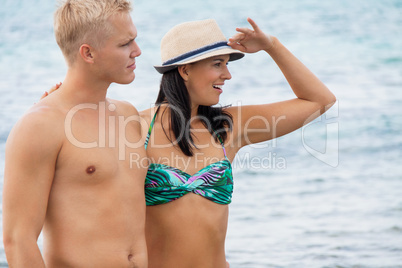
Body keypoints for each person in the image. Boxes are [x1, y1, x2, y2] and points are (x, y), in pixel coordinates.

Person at [139, 18, 336, 268]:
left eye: (227, 64)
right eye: (218, 64)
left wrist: (272, 46)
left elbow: (320, 102)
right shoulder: (137, 129)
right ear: (185, 70)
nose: (228, 75)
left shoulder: (229, 127)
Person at [2, 0, 148, 267]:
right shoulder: (40, 126)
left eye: (134, 41)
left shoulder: (129, 115)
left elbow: (185, 118)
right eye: (124, 44)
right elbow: (18, 240)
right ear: (88, 53)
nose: (137, 51)